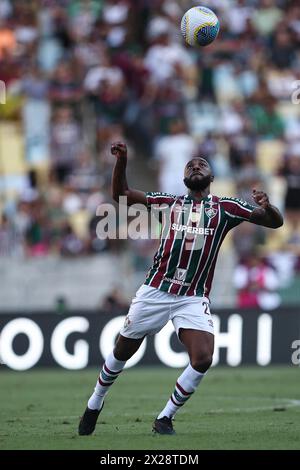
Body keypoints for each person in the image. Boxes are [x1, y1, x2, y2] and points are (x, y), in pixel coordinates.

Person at [78, 142, 283, 436]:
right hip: (156, 290)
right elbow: (121, 195)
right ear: (184, 178)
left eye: (202, 165)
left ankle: (165, 418)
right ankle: (95, 402)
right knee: (123, 350)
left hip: (192, 297)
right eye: (190, 166)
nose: (196, 167)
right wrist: (122, 160)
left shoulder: (226, 208)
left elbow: (275, 223)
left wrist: (269, 207)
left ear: (211, 177)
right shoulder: (169, 203)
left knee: (203, 358)